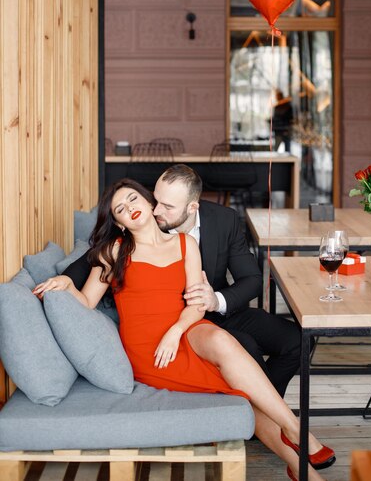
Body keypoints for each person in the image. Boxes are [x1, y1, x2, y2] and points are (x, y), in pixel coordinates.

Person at [33, 178, 334, 480]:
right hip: (149, 349)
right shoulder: (115, 250)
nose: (130, 208)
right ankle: (301, 459)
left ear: (150, 203)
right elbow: (86, 301)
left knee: (219, 339)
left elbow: (196, 304)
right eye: (121, 209)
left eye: (133, 199)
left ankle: (295, 431)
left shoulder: (185, 244)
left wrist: (176, 331)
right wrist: (67, 285)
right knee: (239, 394)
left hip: (184, 329)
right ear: (120, 223)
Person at [64, 164, 301, 399]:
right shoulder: (143, 221)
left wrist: (215, 300)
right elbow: (93, 260)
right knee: (246, 347)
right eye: (155, 199)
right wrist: (65, 279)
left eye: (167, 206)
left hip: (215, 310)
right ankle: (261, 415)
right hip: (174, 322)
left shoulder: (224, 220)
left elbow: (252, 279)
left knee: (297, 341)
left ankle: (265, 408)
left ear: (192, 207)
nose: (156, 210)